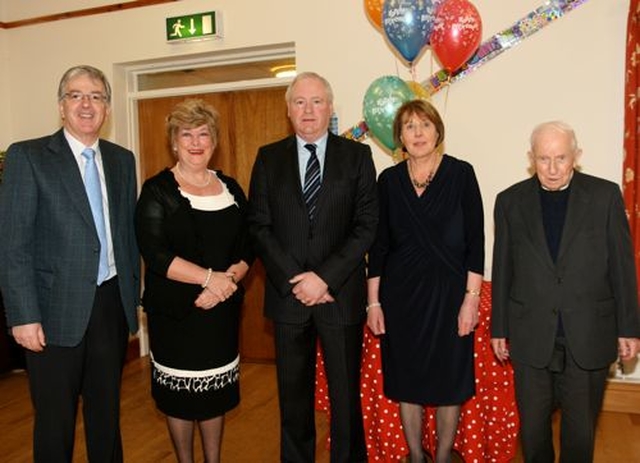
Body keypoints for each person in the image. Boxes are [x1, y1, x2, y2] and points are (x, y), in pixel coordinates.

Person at [0, 65, 140, 462]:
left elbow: (126, 239)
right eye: (76, 95)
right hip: (51, 313)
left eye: (96, 96)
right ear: (61, 106)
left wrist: (131, 304)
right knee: (55, 422)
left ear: (107, 109)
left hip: (110, 306)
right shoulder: (28, 157)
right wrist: (23, 316)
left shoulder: (121, 160)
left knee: (106, 417)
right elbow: (13, 246)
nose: (86, 104)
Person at [490, 121, 640, 462]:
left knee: (580, 430)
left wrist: (629, 327)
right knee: (532, 429)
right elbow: (503, 269)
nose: (553, 169)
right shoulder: (510, 202)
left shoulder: (605, 197)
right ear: (531, 158)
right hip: (531, 334)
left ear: (577, 156)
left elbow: (621, 265)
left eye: (561, 158)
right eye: (544, 159)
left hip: (588, 333)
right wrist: (499, 327)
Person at [248, 72, 378, 462]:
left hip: (339, 295)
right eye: (300, 102)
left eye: (317, 101)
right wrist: (297, 281)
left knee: (344, 398)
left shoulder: (357, 156)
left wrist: (324, 278)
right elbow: (259, 225)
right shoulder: (268, 158)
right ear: (288, 110)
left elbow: (366, 224)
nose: (308, 110)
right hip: (289, 299)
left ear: (331, 107)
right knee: (293, 399)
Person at [367, 99, 485, 463]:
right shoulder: (388, 181)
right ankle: (416, 456)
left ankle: (445, 455)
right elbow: (379, 245)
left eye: (425, 125)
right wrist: (374, 302)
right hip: (401, 299)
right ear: (399, 136)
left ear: (438, 131)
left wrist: (471, 300)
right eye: (409, 127)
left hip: (451, 297)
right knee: (407, 382)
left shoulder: (462, 174)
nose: (418, 133)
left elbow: (476, 243)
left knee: (450, 382)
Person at [135, 98, 252, 463]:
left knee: (214, 393)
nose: (196, 142)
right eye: (187, 134)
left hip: (220, 312)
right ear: (174, 141)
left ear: (214, 142)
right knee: (181, 399)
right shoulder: (157, 191)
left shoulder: (231, 188)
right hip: (177, 315)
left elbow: (249, 245)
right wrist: (208, 281)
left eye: (203, 134)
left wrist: (226, 283)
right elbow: (155, 254)